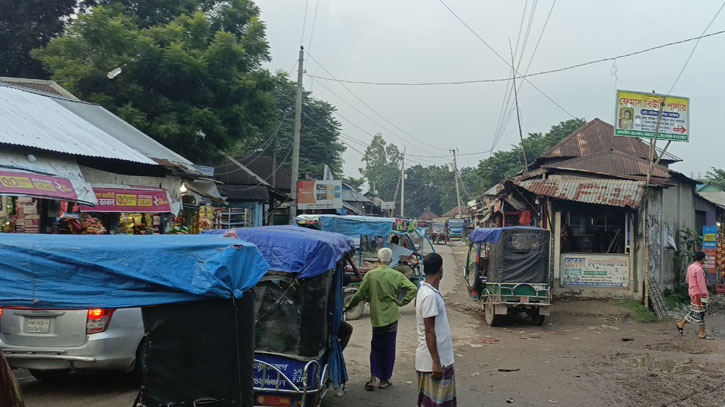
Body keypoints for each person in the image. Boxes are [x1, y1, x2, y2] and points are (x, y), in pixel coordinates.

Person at [344, 247, 418, 391]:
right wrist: (401, 302)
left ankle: (373, 378)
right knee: (389, 349)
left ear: (378, 260)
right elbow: (413, 289)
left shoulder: (371, 275)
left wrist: (347, 308)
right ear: (390, 261)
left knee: (376, 347)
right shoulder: (396, 275)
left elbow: (359, 295)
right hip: (391, 316)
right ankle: (384, 381)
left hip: (377, 317)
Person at [416, 253, 456, 407]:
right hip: (434, 363)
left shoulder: (429, 291)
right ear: (441, 269)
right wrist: (436, 362)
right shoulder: (429, 296)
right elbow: (429, 330)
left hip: (439, 360)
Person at [676, 250, 713, 340]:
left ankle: (681, 324)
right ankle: (702, 333)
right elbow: (701, 284)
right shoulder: (699, 269)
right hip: (699, 294)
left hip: (692, 292)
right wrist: (706, 295)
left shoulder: (690, 267)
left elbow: (688, 279)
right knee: (701, 311)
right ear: (703, 259)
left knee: (695, 310)